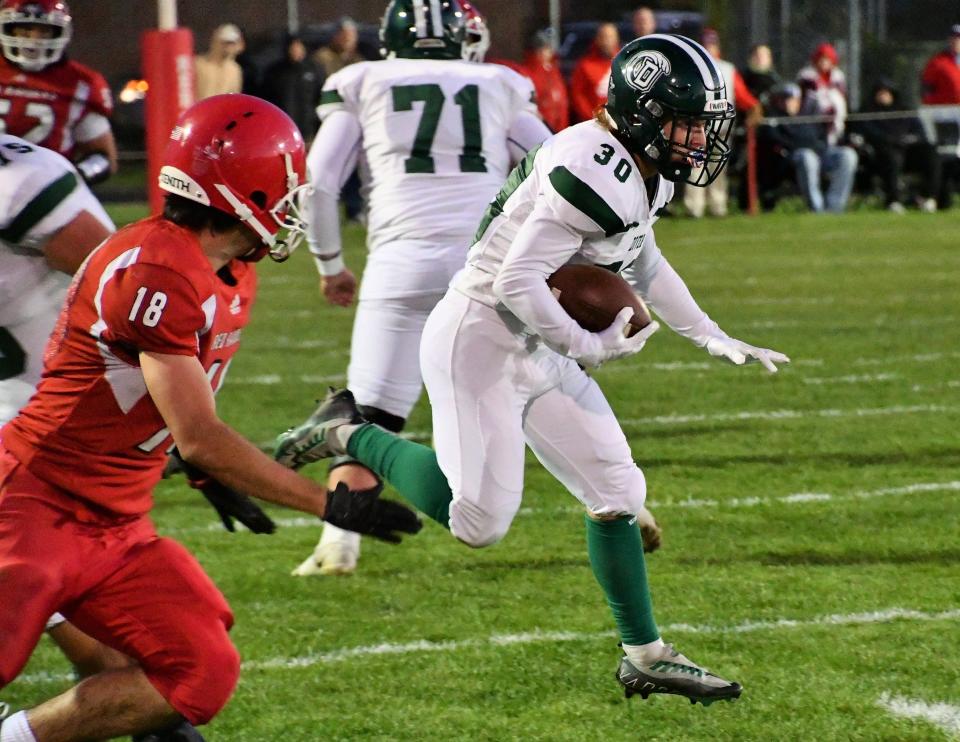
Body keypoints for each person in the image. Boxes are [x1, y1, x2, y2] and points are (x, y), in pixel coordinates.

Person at [277, 34, 790, 703]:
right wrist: (588, 346)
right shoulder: (594, 168)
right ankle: (351, 432)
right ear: (641, 113)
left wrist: (712, 335)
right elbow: (517, 282)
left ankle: (646, 654)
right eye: (686, 124)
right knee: (479, 524)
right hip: (480, 334)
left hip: (532, 337)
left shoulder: (641, 166)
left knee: (618, 492)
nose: (697, 140)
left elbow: (644, 261)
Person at [0, 94, 421, 742]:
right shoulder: (157, 270)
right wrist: (326, 504)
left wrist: (199, 471)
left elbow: (172, 409)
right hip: (34, 502)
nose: (292, 200)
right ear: (243, 187)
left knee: (202, 669)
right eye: (283, 183)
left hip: (116, 520)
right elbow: (200, 435)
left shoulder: (230, 270)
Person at [293, 0, 558, 577]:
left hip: (400, 265)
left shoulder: (361, 80)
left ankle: (338, 544)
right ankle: (620, 506)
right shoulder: (497, 82)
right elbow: (556, 164)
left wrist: (330, 262)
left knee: (367, 419)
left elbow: (316, 182)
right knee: (547, 391)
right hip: (485, 264)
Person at [0, 0, 117, 184]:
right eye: (24, 29)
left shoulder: (80, 83)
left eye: (43, 31)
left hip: (45, 190)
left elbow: (103, 157)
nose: (33, 40)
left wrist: (75, 177)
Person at [683, 28, 761, 218]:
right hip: (695, 128)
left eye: (712, 44)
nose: (709, 48)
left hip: (721, 128)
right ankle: (695, 208)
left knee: (717, 169)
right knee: (695, 168)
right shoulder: (689, 70)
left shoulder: (727, 69)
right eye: (706, 45)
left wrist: (754, 108)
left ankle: (718, 206)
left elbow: (742, 96)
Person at [761, 82, 858, 212]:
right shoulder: (774, 118)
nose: (788, 103)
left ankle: (834, 207)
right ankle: (817, 208)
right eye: (784, 99)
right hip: (793, 158)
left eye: (792, 99)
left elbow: (822, 137)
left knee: (848, 155)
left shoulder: (809, 114)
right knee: (808, 157)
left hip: (820, 154)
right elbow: (774, 139)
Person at [852, 79, 940, 213]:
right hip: (882, 155)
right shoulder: (867, 112)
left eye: (886, 93)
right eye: (880, 93)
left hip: (908, 151)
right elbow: (871, 134)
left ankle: (928, 198)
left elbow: (919, 132)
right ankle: (894, 201)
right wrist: (892, 141)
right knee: (892, 158)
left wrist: (908, 140)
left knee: (930, 152)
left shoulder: (904, 111)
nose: (883, 96)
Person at [261, 33, 325, 141]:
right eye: (292, 46)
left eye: (298, 46)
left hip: (308, 132)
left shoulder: (314, 69)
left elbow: (322, 97)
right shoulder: (275, 72)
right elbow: (266, 100)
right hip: (282, 131)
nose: (295, 50)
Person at [504, 29, 569, 133]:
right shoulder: (528, 73)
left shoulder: (553, 70)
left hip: (558, 125)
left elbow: (561, 98)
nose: (549, 52)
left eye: (548, 49)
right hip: (541, 126)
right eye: (544, 49)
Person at [796, 42, 848, 145]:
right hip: (811, 118)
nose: (824, 62)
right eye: (821, 58)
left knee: (835, 98)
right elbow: (804, 100)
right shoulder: (807, 77)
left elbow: (841, 99)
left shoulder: (838, 77)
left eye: (827, 59)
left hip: (833, 120)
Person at [569, 22, 619, 123]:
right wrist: (592, 117)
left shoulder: (624, 63)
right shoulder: (585, 65)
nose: (606, 41)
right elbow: (577, 95)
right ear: (597, 39)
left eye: (610, 37)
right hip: (593, 124)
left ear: (616, 39)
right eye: (603, 37)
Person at [194, 23, 243, 100]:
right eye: (224, 43)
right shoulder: (198, 64)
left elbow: (234, 98)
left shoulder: (234, 70)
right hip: (199, 109)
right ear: (215, 42)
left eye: (232, 43)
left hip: (221, 111)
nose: (228, 47)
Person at [921, 24, 960, 104]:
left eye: (958, 37)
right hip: (946, 112)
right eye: (953, 37)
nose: (956, 40)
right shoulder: (937, 62)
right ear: (949, 40)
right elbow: (926, 89)